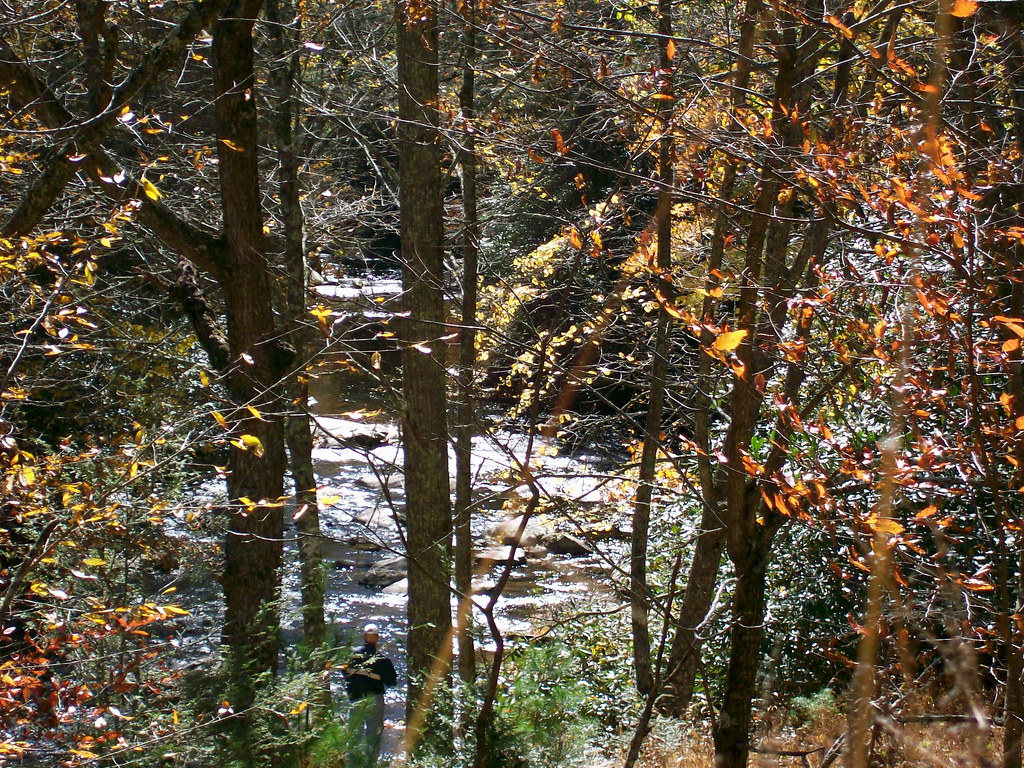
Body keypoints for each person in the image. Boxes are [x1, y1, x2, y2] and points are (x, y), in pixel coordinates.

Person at [343, 623, 397, 767]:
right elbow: (392, 681)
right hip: (375, 698)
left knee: (354, 732)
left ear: (364, 637)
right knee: (373, 734)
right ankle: (371, 764)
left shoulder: (350, 656)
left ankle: (352, 764)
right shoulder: (382, 660)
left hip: (355, 698)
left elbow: (345, 673)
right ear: (377, 638)